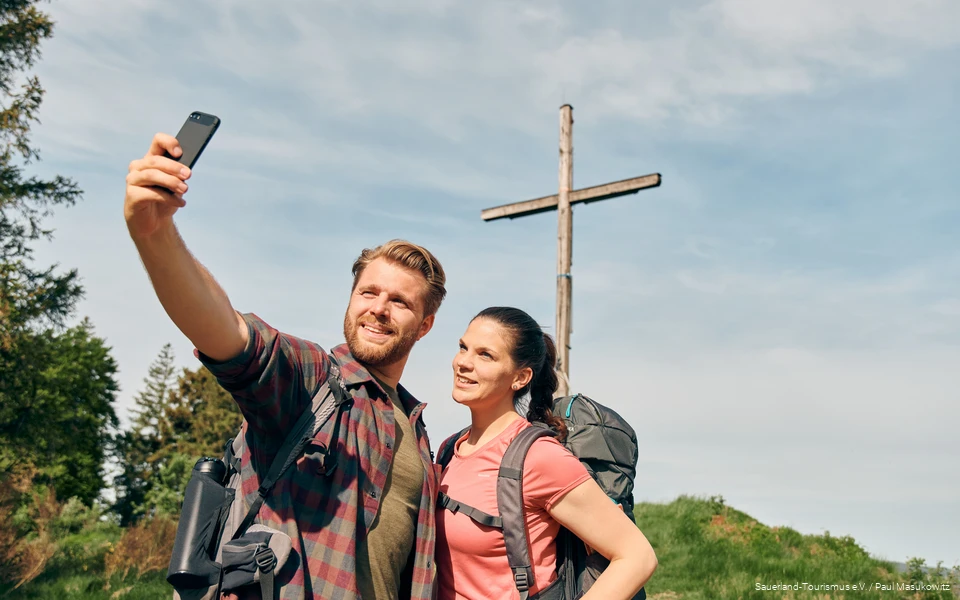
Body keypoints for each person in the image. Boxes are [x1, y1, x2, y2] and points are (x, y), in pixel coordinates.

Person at [124, 133, 447, 600]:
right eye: (369, 292)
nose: (379, 308)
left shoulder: (417, 431)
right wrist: (155, 236)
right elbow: (232, 336)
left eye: (400, 302)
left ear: (425, 325)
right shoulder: (314, 379)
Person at [436, 307, 657, 600]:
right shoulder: (450, 449)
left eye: (485, 355)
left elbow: (637, 557)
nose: (463, 362)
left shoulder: (537, 457)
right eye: (463, 348)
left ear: (520, 377)